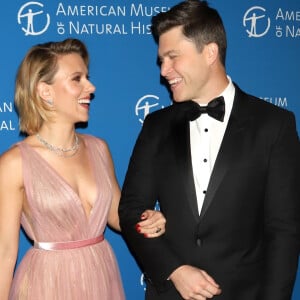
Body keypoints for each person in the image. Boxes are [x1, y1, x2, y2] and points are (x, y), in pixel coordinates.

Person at [118, 1, 300, 299]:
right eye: (162, 60)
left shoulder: (273, 125)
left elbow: (284, 231)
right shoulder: (156, 126)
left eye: (173, 57)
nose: (164, 71)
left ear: (210, 52)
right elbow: (130, 210)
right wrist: (175, 270)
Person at [0, 38, 166, 300]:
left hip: (100, 274)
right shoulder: (14, 163)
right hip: (47, 283)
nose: (91, 87)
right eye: (76, 79)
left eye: (87, 77)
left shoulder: (98, 148)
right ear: (45, 91)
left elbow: (117, 215)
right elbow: (5, 252)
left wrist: (147, 219)